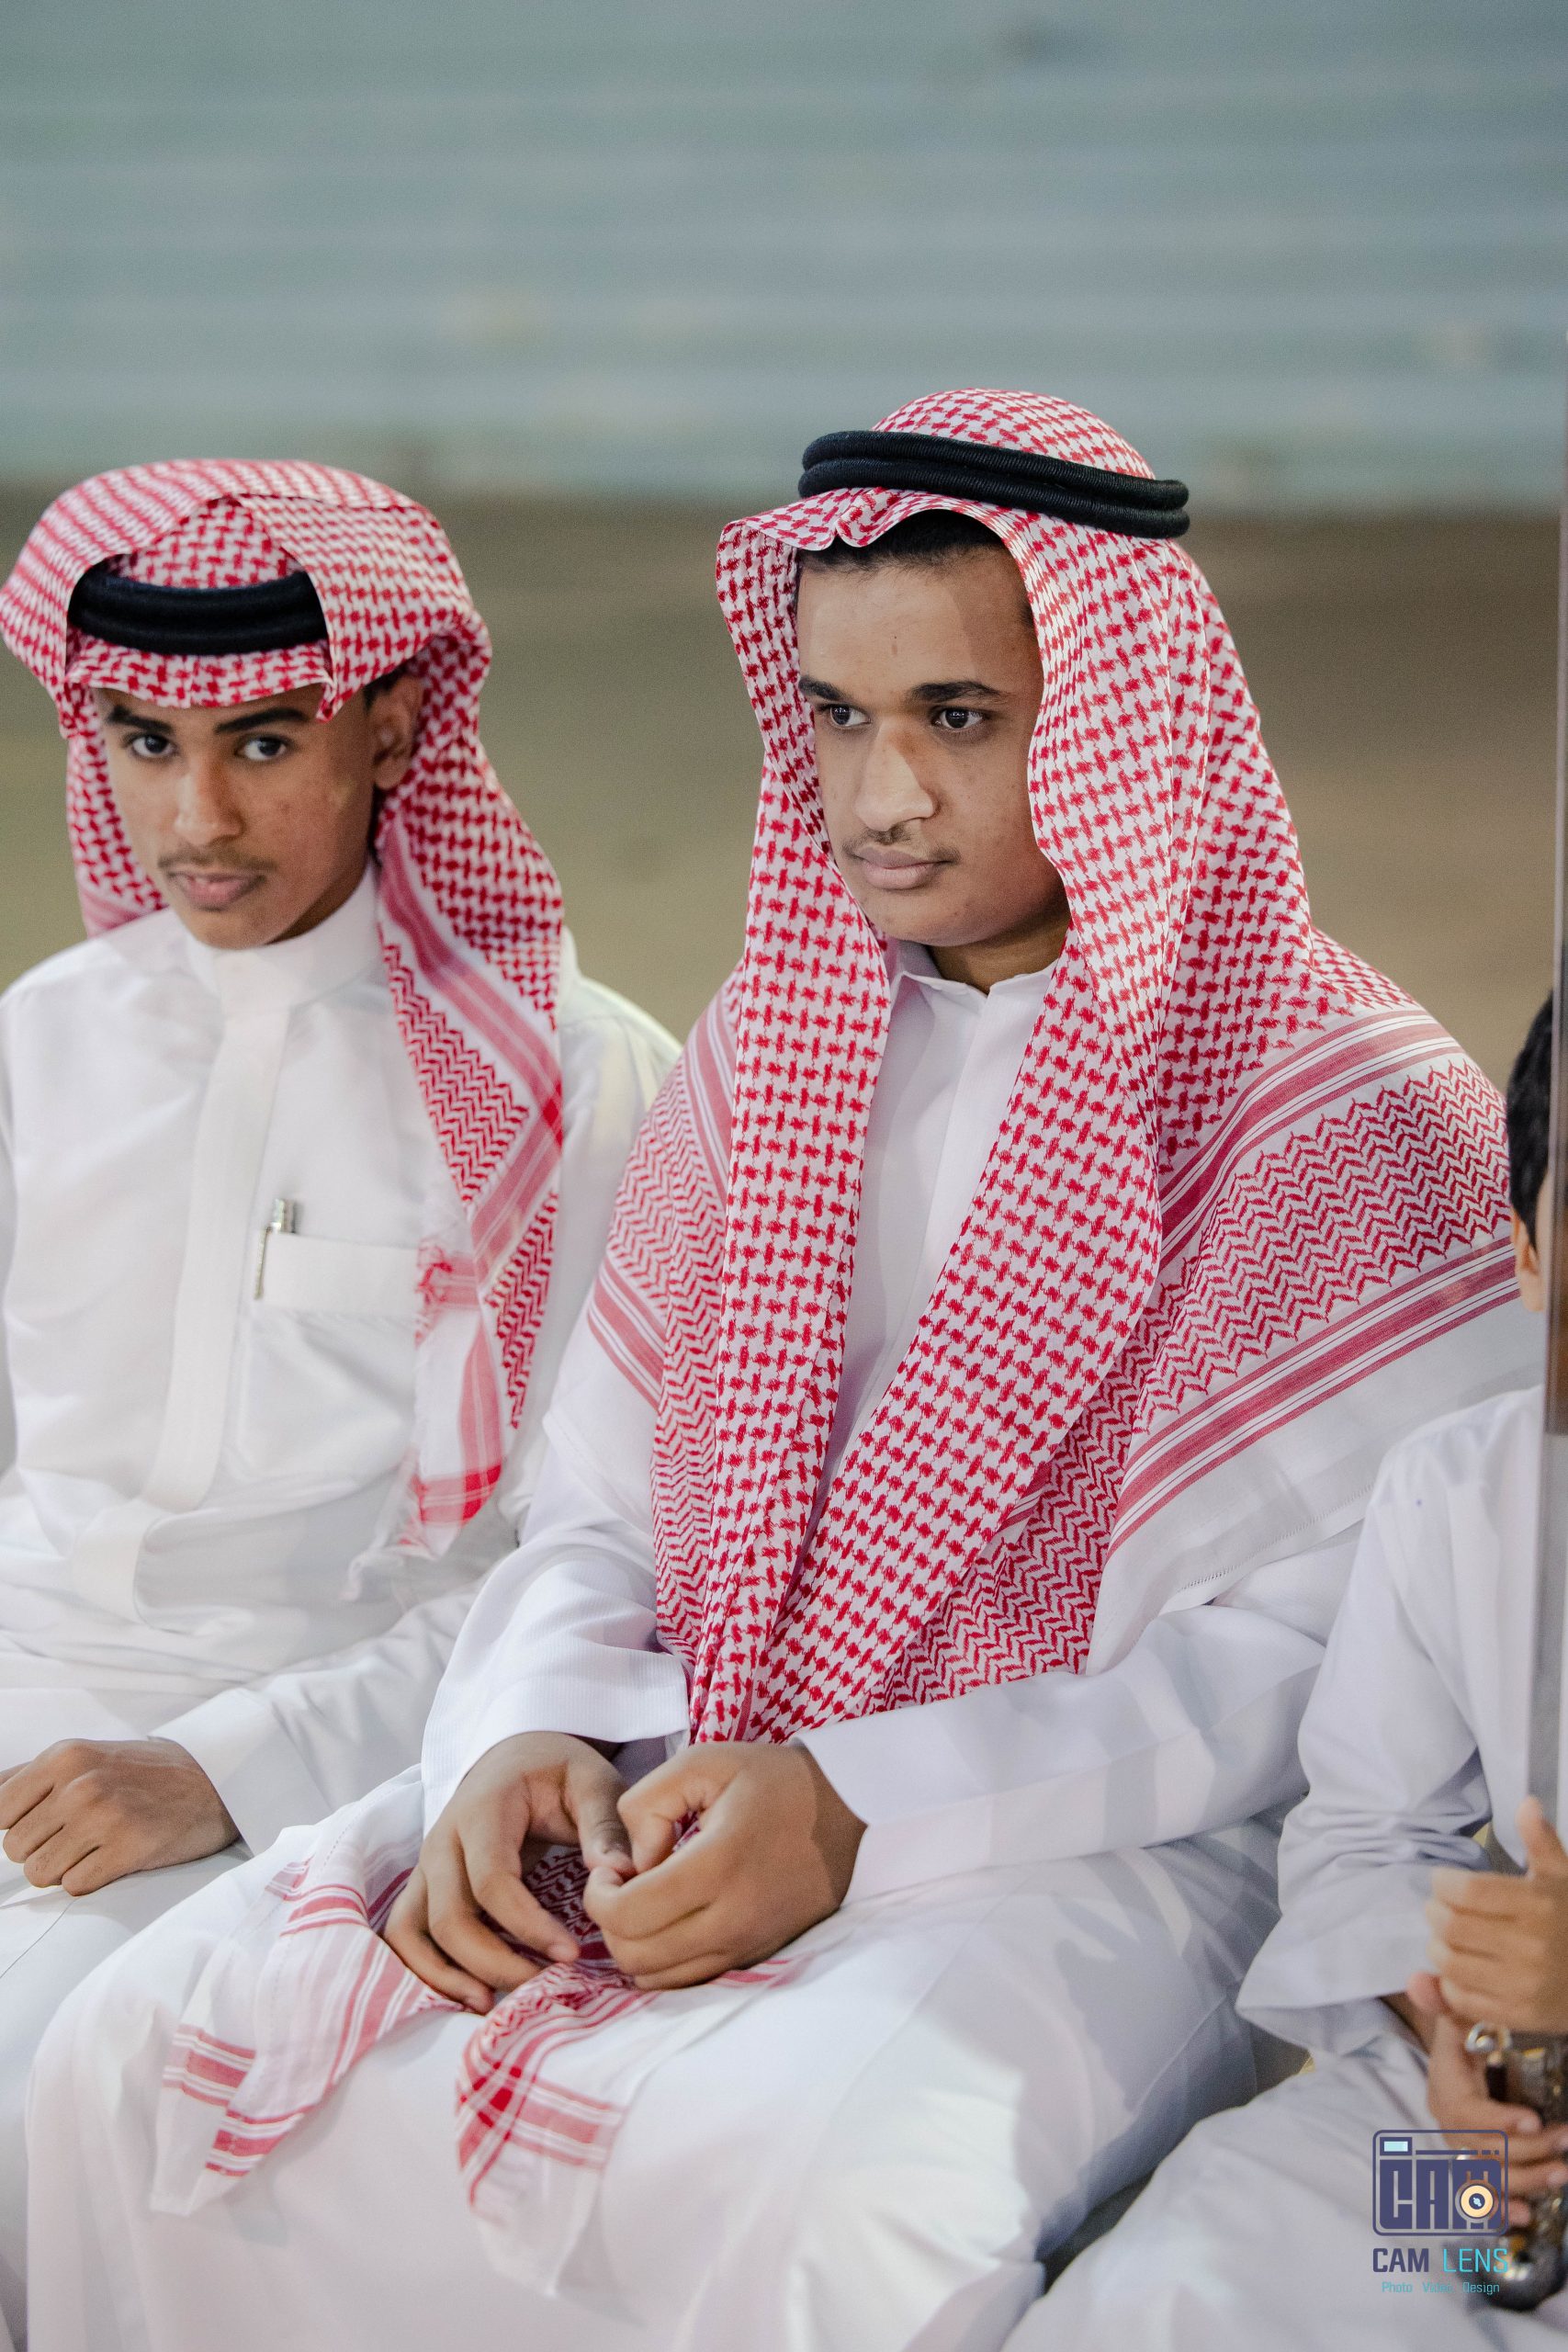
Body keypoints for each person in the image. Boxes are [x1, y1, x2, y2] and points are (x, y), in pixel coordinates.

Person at [24, 392, 1535, 2352]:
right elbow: (599, 1508)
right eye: (835, 716)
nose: (880, 794)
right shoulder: (772, 1042)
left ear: (1117, 722)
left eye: (957, 718)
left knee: (820, 2188)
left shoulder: (1343, 1110)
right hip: (678, 1752)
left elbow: (1297, 1669)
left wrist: (854, 1807)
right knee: (140, 2045)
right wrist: (523, 1732)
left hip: (1079, 1833)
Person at [0, 461, 673, 2352]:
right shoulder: (41, 1043)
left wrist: (223, 1767)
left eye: (264, 741)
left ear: (389, 724)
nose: (194, 820)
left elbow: (588, 1580)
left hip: (310, 1770)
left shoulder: (573, 1088)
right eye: (144, 742)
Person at [1010, 995, 1568, 2350]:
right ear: (1528, 1254)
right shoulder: (1463, 1489)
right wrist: (1455, 2039)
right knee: (1191, 2292)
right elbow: (1370, 1832)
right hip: (1496, 2149)